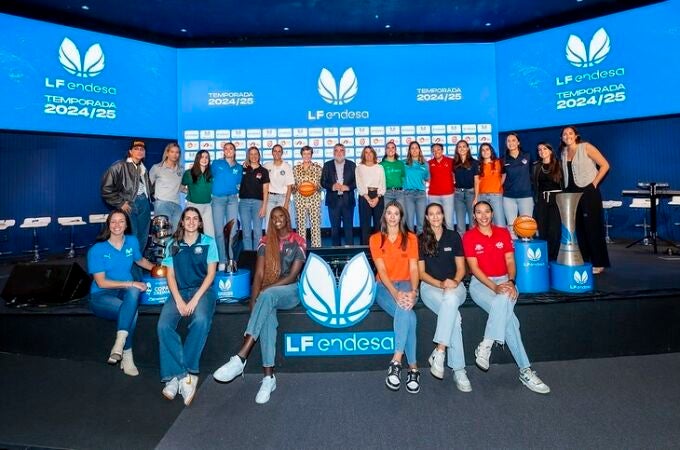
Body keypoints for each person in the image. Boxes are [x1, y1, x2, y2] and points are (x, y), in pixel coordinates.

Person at [213, 207, 306, 404]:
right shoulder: (265, 242)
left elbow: (291, 277)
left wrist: (265, 291)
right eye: (274, 218)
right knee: (268, 321)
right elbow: (259, 275)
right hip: (267, 296)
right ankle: (268, 378)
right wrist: (254, 302)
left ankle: (240, 357)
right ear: (270, 221)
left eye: (281, 216)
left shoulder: (298, 241)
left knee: (269, 295)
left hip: (290, 291)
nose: (278, 220)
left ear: (287, 218)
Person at [463, 201, 550, 394]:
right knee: (510, 320)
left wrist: (510, 282)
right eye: (479, 212)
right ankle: (525, 370)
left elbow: (510, 260)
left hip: (506, 281)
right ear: (474, 216)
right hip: (481, 284)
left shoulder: (502, 233)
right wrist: (494, 286)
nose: (483, 215)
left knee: (507, 314)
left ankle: (486, 344)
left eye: (487, 211)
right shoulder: (469, 237)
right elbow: (474, 269)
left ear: (492, 213)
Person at [157, 207, 218, 406]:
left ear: (200, 222)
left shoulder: (209, 242)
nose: (191, 222)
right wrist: (179, 300)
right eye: (187, 218)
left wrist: (194, 300)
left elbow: (210, 275)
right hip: (179, 292)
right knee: (163, 326)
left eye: (195, 219)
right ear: (182, 222)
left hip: (203, 292)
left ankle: (185, 372)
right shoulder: (172, 244)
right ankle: (180, 375)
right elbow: (170, 275)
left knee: (200, 320)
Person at [87, 209, 155, 376]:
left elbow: (140, 260)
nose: (117, 225)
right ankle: (127, 354)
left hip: (125, 292)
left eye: (121, 221)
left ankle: (119, 342)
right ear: (108, 225)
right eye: (113, 222)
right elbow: (101, 283)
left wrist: (160, 269)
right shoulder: (97, 249)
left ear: (126, 225)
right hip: (101, 296)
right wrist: (131, 282)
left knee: (133, 293)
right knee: (131, 311)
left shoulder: (131, 241)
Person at [417, 202, 471, 392]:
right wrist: (440, 284)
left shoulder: (454, 236)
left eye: (438, 213)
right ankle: (459, 370)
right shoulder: (421, 239)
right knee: (454, 318)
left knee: (451, 301)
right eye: (431, 214)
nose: (435, 217)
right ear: (426, 218)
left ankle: (439, 351)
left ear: (443, 215)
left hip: (455, 287)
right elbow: (421, 274)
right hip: (431, 287)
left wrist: (454, 282)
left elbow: (462, 268)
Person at [369, 201, 421, 393]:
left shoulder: (412, 238)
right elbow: (381, 271)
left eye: (396, 214)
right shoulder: (375, 239)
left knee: (406, 311)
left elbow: (414, 268)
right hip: (384, 286)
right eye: (389, 213)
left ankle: (396, 361)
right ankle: (413, 368)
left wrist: (414, 291)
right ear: (384, 216)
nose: (392, 217)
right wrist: (396, 293)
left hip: (407, 283)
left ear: (401, 217)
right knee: (409, 316)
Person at [560, 126, 610, 273]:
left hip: (588, 192)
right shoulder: (563, 152)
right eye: (564, 134)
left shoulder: (586, 147)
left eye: (570, 133)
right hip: (572, 194)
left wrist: (594, 183)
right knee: (579, 228)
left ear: (576, 136)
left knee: (593, 227)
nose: (567, 135)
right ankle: (585, 259)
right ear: (562, 138)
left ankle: (599, 263)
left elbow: (605, 165)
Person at [101, 139, 153, 254]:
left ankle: (137, 265)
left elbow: (149, 189)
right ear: (130, 151)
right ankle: (127, 267)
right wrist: (120, 203)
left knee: (143, 237)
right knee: (130, 237)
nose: (139, 151)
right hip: (129, 204)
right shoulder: (119, 166)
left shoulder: (144, 169)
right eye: (136, 149)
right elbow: (106, 189)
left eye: (142, 149)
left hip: (144, 204)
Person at [211, 142, 242, 271]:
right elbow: (208, 178)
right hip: (218, 200)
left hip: (233, 200)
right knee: (219, 232)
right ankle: (222, 260)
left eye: (231, 148)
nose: (228, 150)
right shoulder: (216, 164)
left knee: (232, 231)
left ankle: (231, 260)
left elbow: (239, 184)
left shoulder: (239, 167)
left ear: (234, 151)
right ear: (223, 151)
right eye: (226, 148)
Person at [532, 142, 564, 260]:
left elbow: (565, 184)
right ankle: (544, 257)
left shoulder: (559, 164)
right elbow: (535, 185)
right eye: (539, 149)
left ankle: (553, 257)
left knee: (554, 230)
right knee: (543, 229)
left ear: (550, 150)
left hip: (557, 200)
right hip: (541, 200)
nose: (542, 151)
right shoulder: (536, 167)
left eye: (544, 149)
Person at [321, 143, 356, 246]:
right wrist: (332, 186)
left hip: (348, 200)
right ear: (333, 152)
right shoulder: (327, 165)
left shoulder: (352, 164)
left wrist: (348, 187)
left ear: (344, 152)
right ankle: (335, 255)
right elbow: (323, 182)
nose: (339, 153)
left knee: (348, 229)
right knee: (335, 230)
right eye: (336, 150)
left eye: (341, 150)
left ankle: (350, 254)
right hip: (333, 201)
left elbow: (357, 182)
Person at [239, 146, 270, 250]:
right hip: (243, 203)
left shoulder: (264, 171)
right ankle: (248, 257)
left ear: (259, 155)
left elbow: (266, 191)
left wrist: (264, 206)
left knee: (257, 233)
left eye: (256, 154)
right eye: (251, 154)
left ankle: (258, 258)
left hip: (258, 204)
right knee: (246, 233)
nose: (254, 156)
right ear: (248, 156)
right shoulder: (242, 169)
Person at [502, 133, 534, 234]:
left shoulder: (527, 156)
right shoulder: (503, 159)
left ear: (518, 142)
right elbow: (501, 177)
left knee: (527, 226)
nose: (511, 143)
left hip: (525, 196)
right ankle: (513, 249)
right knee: (511, 227)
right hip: (509, 197)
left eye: (513, 140)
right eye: (508, 141)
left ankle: (526, 248)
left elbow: (532, 173)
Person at [293, 145, 323, 248]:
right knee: (300, 226)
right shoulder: (295, 169)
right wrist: (296, 187)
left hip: (314, 200)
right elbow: (292, 187)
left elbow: (322, 185)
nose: (306, 156)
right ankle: (301, 249)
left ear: (311, 155)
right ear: (301, 155)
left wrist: (316, 187)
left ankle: (316, 249)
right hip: (300, 200)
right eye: (304, 153)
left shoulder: (318, 168)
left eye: (308, 153)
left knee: (315, 226)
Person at [149, 142, 183, 231]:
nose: (175, 155)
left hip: (177, 205)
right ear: (167, 153)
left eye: (177, 152)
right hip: (162, 204)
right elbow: (147, 186)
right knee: (163, 236)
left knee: (177, 235)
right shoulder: (157, 168)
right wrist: (154, 200)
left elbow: (181, 188)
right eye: (172, 152)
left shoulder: (181, 170)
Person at [356, 145, 386, 245]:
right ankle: (364, 249)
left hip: (378, 196)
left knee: (379, 224)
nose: (368, 154)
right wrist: (368, 198)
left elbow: (382, 183)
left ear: (374, 154)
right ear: (363, 155)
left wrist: (377, 197)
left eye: (370, 152)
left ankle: (379, 248)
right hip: (364, 196)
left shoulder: (380, 167)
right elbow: (359, 184)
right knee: (365, 225)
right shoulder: (359, 168)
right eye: (366, 152)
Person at [182, 150, 215, 237]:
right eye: (202, 157)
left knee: (210, 233)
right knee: (190, 232)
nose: (204, 159)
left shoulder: (211, 174)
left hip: (207, 206)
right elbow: (181, 187)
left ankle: (209, 250)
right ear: (197, 159)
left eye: (206, 157)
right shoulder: (189, 173)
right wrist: (189, 192)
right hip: (193, 206)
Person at [263, 144, 295, 227]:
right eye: (275, 151)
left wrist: (286, 204)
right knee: (269, 223)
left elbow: (289, 187)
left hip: (283, 198)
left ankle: (283, 240)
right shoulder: (266, 166)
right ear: (272, 153)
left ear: (282, 153)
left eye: (279, 151)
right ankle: (270, 240)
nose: (277, 153)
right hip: (270, 198)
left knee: (283, 223)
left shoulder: (287, 167)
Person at [453, 140, 480, 235]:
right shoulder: (454, 163)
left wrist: (476, 197)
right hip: (458, 195)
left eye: (464, 146)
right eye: (459, 147)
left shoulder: (475, 162)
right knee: (460, 225)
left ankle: (472, 246)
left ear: (468, 148)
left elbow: (477, 181)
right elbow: (452, 177)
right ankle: (461, 248)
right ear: (457, 149)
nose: (462, 148)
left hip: (471, 194)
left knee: (473, 224)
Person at [476, 143, 506, 227]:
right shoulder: (478, 165)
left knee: (499, 222)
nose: (485, 151)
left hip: (496, 195)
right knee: (485, 222)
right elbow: (476, 181)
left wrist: (499, 184)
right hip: (481, 196)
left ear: (491, 151)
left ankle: (502, 240)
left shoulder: (498, 162)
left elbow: (504, 174)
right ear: (480, 153)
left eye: (487, 149)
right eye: (483, 150)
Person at [427, 143, 455, 230]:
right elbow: (426, 177)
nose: (436, 152)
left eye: (438, 149)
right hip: (433, 195)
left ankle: (450, 242)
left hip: (448, 195)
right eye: (434, 150)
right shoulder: (429, 163)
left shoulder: (451, 161)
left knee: (449, 221)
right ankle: (434, 241)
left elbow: (455, 175)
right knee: (435, 221)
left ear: (442, 150)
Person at [403, 141, 429, 232]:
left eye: (416, 148)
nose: (414, 150)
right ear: (409, 151)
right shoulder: (403, 163)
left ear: (419, 150)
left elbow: (427, 178)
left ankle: (421, 244)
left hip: (421, 195)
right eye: (412, 148)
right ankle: (411, 244)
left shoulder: (425, 164)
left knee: (421, 223)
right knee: (409, 223)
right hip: (408, 195)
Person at [380, 141, 405, 207]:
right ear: (385, 150)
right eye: (388, 148)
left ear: (395, 150)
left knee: (401, 214)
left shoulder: (400, 163)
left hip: (399, 193)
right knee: (387, 214)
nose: (390, 149)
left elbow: (403, 177)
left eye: (393, 147)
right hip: (386, 193)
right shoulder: (381, 165)